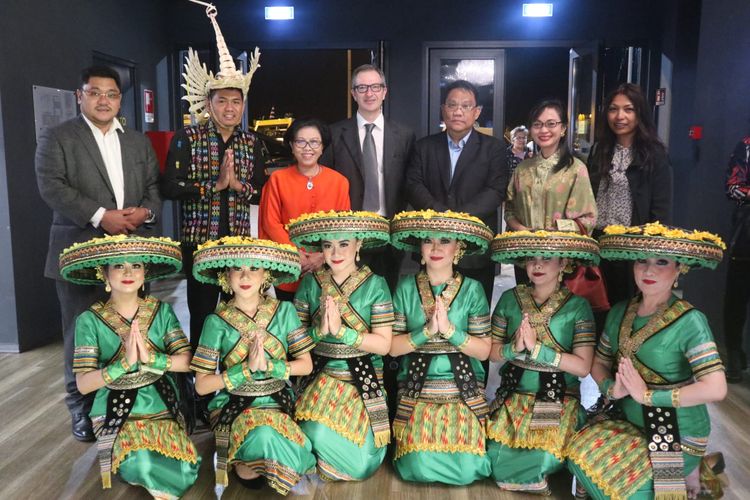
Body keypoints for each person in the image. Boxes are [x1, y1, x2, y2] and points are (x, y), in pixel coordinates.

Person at [35, 65, 161, 441]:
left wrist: (146, 213)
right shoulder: (57, 137)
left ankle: (135, 401)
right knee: (80, 334)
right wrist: (100, 216)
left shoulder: (137, 142)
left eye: (111, 94)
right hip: (79, 254)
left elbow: (153, 188)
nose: (103, 100)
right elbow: (51, 186)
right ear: (81, 96)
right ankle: (82, 409)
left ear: (120, 99)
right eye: (95, 93)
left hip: (131, 254)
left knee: (135, 327)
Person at [566, 222, 728, 500]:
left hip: (678, 431)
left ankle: (694, 468)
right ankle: (695, 472)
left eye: (661, 262)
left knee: (620, 492)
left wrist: (648, 396)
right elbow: (599, 363)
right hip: (630, 421)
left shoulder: (691, 321)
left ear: (680, 268)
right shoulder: (619, 311)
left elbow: (716, 388)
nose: (648, 270)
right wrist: (611, 389)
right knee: (576, 454)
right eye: (641, 260)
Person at [60, 235, 199, 498]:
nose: (128, 272)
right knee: (142, 463)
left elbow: (188, 362)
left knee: (185, 468)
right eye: (119, 266)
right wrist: (123, 364)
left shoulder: (161, 311)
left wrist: (153, 359)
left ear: (145, 272)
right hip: (116, 410)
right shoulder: (89, 320)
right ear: (104, 273)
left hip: (161, 405)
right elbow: (83, 383)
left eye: (136, 266)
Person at [160, 4, 265, 347]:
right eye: (222, 101)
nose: (230, 108)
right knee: (203, 313)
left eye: (236, 101)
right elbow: (169, 188)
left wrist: (239, 186)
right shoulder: (186, 138)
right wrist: (212, 187)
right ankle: (200, 388)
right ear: (208, 103)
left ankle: (236, 379)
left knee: (239, 313)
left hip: (237, 244)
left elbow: (261, 190)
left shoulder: (251, 141)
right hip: (198, 244)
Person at [189, 236, 316, 496]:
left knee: (273, 439)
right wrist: (244, 370)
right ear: (226, 275)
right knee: (264, 437)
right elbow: (201, 385)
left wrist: (271, 367)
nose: (245, 276)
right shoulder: (216, 321)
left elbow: (305, 366)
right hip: (233, 404)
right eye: (237, 268)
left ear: (266, 275)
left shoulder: (285, 312)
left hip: (277, 401)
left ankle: (260, 464)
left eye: (254, 268)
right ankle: (274, 466)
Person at [486, 230, 598, 493]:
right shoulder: (509, 299)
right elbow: (491, 353)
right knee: (493, 455)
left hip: (556, 397)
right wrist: (513, 349)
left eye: (547, 258)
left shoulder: (577, 307)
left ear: (564, 263)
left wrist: (538, 350)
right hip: (514, 394)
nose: (537, 264)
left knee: (541, 457)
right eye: (532, 258)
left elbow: (583, 366)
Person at [388, 209, 493, 485]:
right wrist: (427, 332)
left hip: (463, 388)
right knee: (417, 465)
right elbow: (393, 348)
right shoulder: (405, 288)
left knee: (469, 467)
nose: (435, 248)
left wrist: (450, 331)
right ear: (419, 248)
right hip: (417, 388)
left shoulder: (473, 289)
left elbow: (484, 351)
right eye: (428, 240)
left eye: (444, 241)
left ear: (458, 248)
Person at [288, 210, 393, 481]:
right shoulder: (310, 284)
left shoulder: (376, 285)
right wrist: (319, 331)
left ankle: (310, 459)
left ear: (359, 245)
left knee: (363, 464)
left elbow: (383, 346)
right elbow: (295, 345)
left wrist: (343, 333)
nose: (335, 252)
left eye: (344, 244)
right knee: (318, 431)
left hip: (363, 378)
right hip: (320, 375)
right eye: (327, 245)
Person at [405, 80, 508, 299]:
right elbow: (413, 185)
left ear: (477, 112)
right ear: (443, 109)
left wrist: (459, 220)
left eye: (465, 106)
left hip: (475, 247)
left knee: (474, 315)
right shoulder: (424, 147)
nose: (458, 112)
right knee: (430, 309)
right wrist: (442, 216)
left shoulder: (494, 149)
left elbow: (496, 190)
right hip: (432, 247)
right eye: (452, 105)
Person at [320, 64, 416, 289]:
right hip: (348, 231)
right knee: (349, 294)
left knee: (387, 293)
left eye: (375, 87)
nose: (369, 93)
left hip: (389, 230)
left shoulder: (404, 135)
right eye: (362, 88)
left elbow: (411, 182)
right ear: (353, 94)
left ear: (384, 91)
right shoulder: (335, 134)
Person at [588, 83, 673, 308]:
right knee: (596, 306)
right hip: (599, 242)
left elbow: (660, 212)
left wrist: (649, 252)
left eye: (628, 109)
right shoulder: (600, 150)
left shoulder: (654, 155)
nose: (620, 116)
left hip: (632, 246)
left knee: (627, 307)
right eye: (613, 109)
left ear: (640, 113)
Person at [259, 118, 351, 301]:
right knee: (290, 322)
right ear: (292, 146)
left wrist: (321, 255)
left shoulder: (339, 182)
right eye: (300, 141)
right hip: (288, 266)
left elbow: (343, 227)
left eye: (314, 142)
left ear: (322, 146)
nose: (307, 147)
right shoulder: (278, 179)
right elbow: (270, 222)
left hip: (327, 265)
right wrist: (295, 254)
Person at [505, 99, 597, 235]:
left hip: (561, 252)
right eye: (537, 124)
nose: (543, 130)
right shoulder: (522, 169)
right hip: (524, 250)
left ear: (563, 129)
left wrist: (549, 232)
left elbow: (588, 219)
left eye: (551, 124)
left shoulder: (576, 169)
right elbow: (509, 210)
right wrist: (522, 230)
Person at [723, 136, 750, 382]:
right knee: (736, 301)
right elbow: (733, 187)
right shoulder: (745, 145)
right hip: (746, 240)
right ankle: (733, 357)